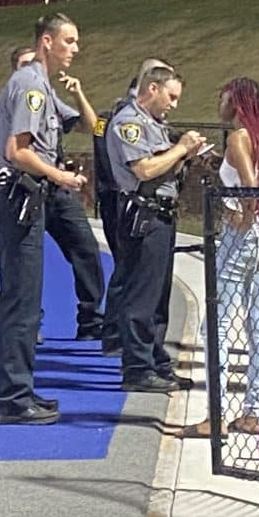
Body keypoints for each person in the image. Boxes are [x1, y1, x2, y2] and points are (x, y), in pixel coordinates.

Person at [0, 12, 87, 424]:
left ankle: (21, 387)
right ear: (46, 41)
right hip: (17, 196)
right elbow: (17, 150)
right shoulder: (30, 84)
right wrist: (59, 175)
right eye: (69, 41)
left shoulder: (41, 85)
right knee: (21, 299)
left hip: (26, 196)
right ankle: (13, 396)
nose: (75, 49)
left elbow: (82, 124)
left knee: (26, 297)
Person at [180, 78, 259, 438]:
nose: (217, 101)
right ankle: (253, 409)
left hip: (245, 236)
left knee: (218, 322)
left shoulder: (238, 137)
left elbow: (251, 184)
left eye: (221, 95)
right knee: (258, 322)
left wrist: (245, 213)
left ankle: (216, 415)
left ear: (236, 101)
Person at [0, 45, 106, 342]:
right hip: (24, 190)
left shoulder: (49, 98)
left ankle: (90, 319)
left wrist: (77, 93)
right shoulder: (5, 105)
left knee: (86, 248)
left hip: (56, 189)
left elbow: (94, 127)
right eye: (25, 64)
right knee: (24, 264)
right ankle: (28, 325)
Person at [106, 63, 205, 394]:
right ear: (152, 89)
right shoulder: (129, 124)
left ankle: (156, 359)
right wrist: (179, 149)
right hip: (142, 214)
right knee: (141, 294)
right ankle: (136, 367)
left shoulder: (154, 125)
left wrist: (185, 155)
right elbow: (145, 169)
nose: (174, 104)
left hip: (162, 214)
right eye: (171, 96)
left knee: (159, 294)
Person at [94, 58, 173, 358]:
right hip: (126, 201)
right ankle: (121, 341)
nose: (172, 103)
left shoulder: (155, 122)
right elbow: (139, 167)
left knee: (152, 285)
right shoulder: (123, 119)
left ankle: (151, 351)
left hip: (155, 207)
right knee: (131, 277)